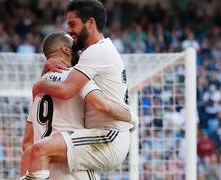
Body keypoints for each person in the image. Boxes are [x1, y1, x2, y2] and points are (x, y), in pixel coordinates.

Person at [24, 0, 139, 179]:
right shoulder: (91, 55)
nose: (68, 30)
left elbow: (66, 90)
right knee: (40, 152)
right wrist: (46, 71)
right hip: (97, 137)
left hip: (108, 137)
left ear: (90, 23)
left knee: (39, 150)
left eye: (72, 24)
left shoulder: (96, 52)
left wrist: (39, 84)